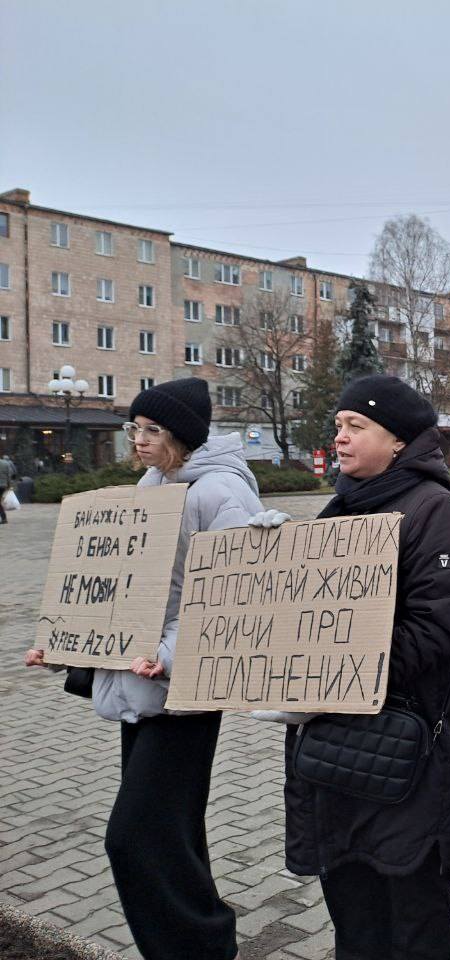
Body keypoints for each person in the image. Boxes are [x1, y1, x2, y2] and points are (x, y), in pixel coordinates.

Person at [26, 377, 262, 960]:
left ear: (181, 434)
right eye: (135, 428)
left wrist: (168, 658)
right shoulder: (155, 483)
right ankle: (205, 943)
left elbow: (234, 599)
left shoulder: (221, 493)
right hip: (140, 681)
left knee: (134, 837)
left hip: (182, 689)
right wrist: (67, 643)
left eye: (152, 430)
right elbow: (128, 590)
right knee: (172, 834)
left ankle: (197, 947)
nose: (138, 440)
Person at [275, 374, 450, 960]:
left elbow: (437, 630)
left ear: (398, 442)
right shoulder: (337, 510)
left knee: (413, 920)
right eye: (338, 425)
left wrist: (340, 667)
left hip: (407, 759)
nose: (339, 437)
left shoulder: (436, 512)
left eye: (355, 426)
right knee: (354, 918)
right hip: (334, 755)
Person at [0, 452, 14, 523]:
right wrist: (9, 485)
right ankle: (3, 518)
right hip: (3, 485)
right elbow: (9, 475)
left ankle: (4, 518)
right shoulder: (6, 463)